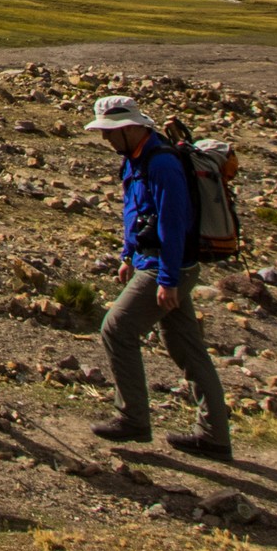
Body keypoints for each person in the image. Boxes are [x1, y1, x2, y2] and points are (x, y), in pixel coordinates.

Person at [85, 94, 229, 458]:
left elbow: (172, 221)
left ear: (133, 128)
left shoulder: (160, 163)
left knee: (117, 329)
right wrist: (127, 255)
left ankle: (133, 418)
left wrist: (166, 279)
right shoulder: (138, 157)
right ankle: (214, 435)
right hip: (159, 262)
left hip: (168, 265)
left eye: (112, 131)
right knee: (186, 346)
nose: (106, 138)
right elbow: (138, 213)